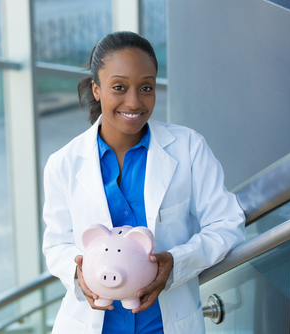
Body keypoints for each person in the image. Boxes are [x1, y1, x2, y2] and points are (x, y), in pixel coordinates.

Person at [42, 31, 246, 334]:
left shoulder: (188, 147)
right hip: (91, 323)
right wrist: (78, 272)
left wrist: (176, 262)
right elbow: (56, 243)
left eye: (146, 87)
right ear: (97, 89)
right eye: (119, 87)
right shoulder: (64, 163)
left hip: (165, 323)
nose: (134, 102)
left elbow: (228, 223)